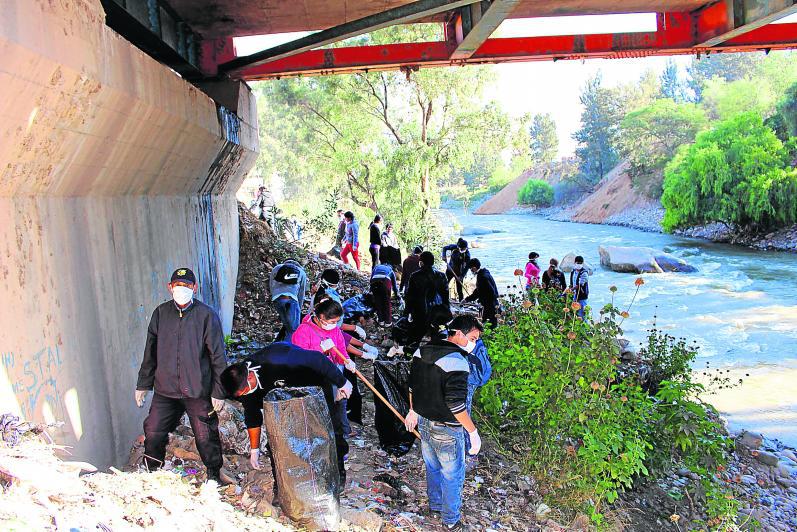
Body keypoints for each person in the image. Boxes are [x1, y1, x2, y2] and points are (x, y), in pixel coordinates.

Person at [219, 342, 352, 496]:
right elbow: (252, 415)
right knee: (279, 440)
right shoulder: (242, 388)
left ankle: (338, 472)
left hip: (313, 381)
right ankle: (283, 488)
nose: (244, 395)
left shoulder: (277, 360)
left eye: (244, 391)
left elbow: (317, 359)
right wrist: (254, 450)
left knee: (328, 431)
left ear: (250, 376)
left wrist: (342, 382)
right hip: (283, 396)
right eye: (240, 395)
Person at [135, 268, 227, 484]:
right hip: (165, 389)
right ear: (170, 287)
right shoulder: (161, 314)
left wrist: (218, 391)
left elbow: (218, 356)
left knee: (205, 435)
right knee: (153, 430)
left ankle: (214, 474)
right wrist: (143, 384)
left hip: (196, 389)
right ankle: (152, 471)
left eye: (186, 286)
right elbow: (150, 351)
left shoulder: (206, 316)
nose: (181, 289)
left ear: (194, 288)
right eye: (177, 285)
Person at [404, 315, 484, 530]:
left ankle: (436, 505)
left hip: (425, 422)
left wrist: (413, 410)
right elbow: (457, 405)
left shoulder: (423, 350)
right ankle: (450, 521)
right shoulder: (458, 361)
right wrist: (473, 432)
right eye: (473, 338)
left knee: (432, 466)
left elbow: (412, 386)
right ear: (458, 333)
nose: (474, 344)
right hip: (447, 428)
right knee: (453, 474)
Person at [292, 298, 358, 439]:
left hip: (332, 372)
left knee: (340, 402)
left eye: (337, 322)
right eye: (333, 322)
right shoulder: (303, 331)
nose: (335, 325)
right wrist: (319, 349)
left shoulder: (334, 330)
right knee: (319, 408)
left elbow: (340, 348)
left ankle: (339, 436)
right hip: (312, 378)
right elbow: (298, 358)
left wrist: (346, 361)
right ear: (321, 317)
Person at [404, 251, 450, 345]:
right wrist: (446, 309)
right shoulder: (441, 275)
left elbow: (410, 297)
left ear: (421, 262)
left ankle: (411, 354)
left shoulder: (415, 276)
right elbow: (446, 295)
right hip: (438, 311)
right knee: (437, 337)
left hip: (420, 312)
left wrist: (407, 312)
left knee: (415, 336)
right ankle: (434, 355)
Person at [269, 260, 308, 341]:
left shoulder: (277, 268)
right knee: (293, 330)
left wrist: (274, 298)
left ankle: (282, 345)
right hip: (291, 300)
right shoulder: (301, 272)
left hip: (277, 299)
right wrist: (299, 309)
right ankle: (287, 349)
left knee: (287, 325)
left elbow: (271, 285)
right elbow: (301, 293)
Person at [464, 258, 500, 328]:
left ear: (474, 268)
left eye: (471, 269)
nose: (471, 271)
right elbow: (479, 289)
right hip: (492, 302)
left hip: (490, 304)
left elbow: (479, 292)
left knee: (488, 324)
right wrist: (468, 299)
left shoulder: (482, 277)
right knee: (488, 323)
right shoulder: (484, 272)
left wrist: (467, 299)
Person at [371, 258, 401, 327]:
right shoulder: (390, 270)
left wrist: (371, 290)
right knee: (387, 302)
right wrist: (397, 295)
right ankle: (388, 322)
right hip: (385, 281)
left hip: (374, 282)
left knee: (378, 302)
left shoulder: (377, 267)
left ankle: (381, 321)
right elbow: (394, 286)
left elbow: (371, 278)